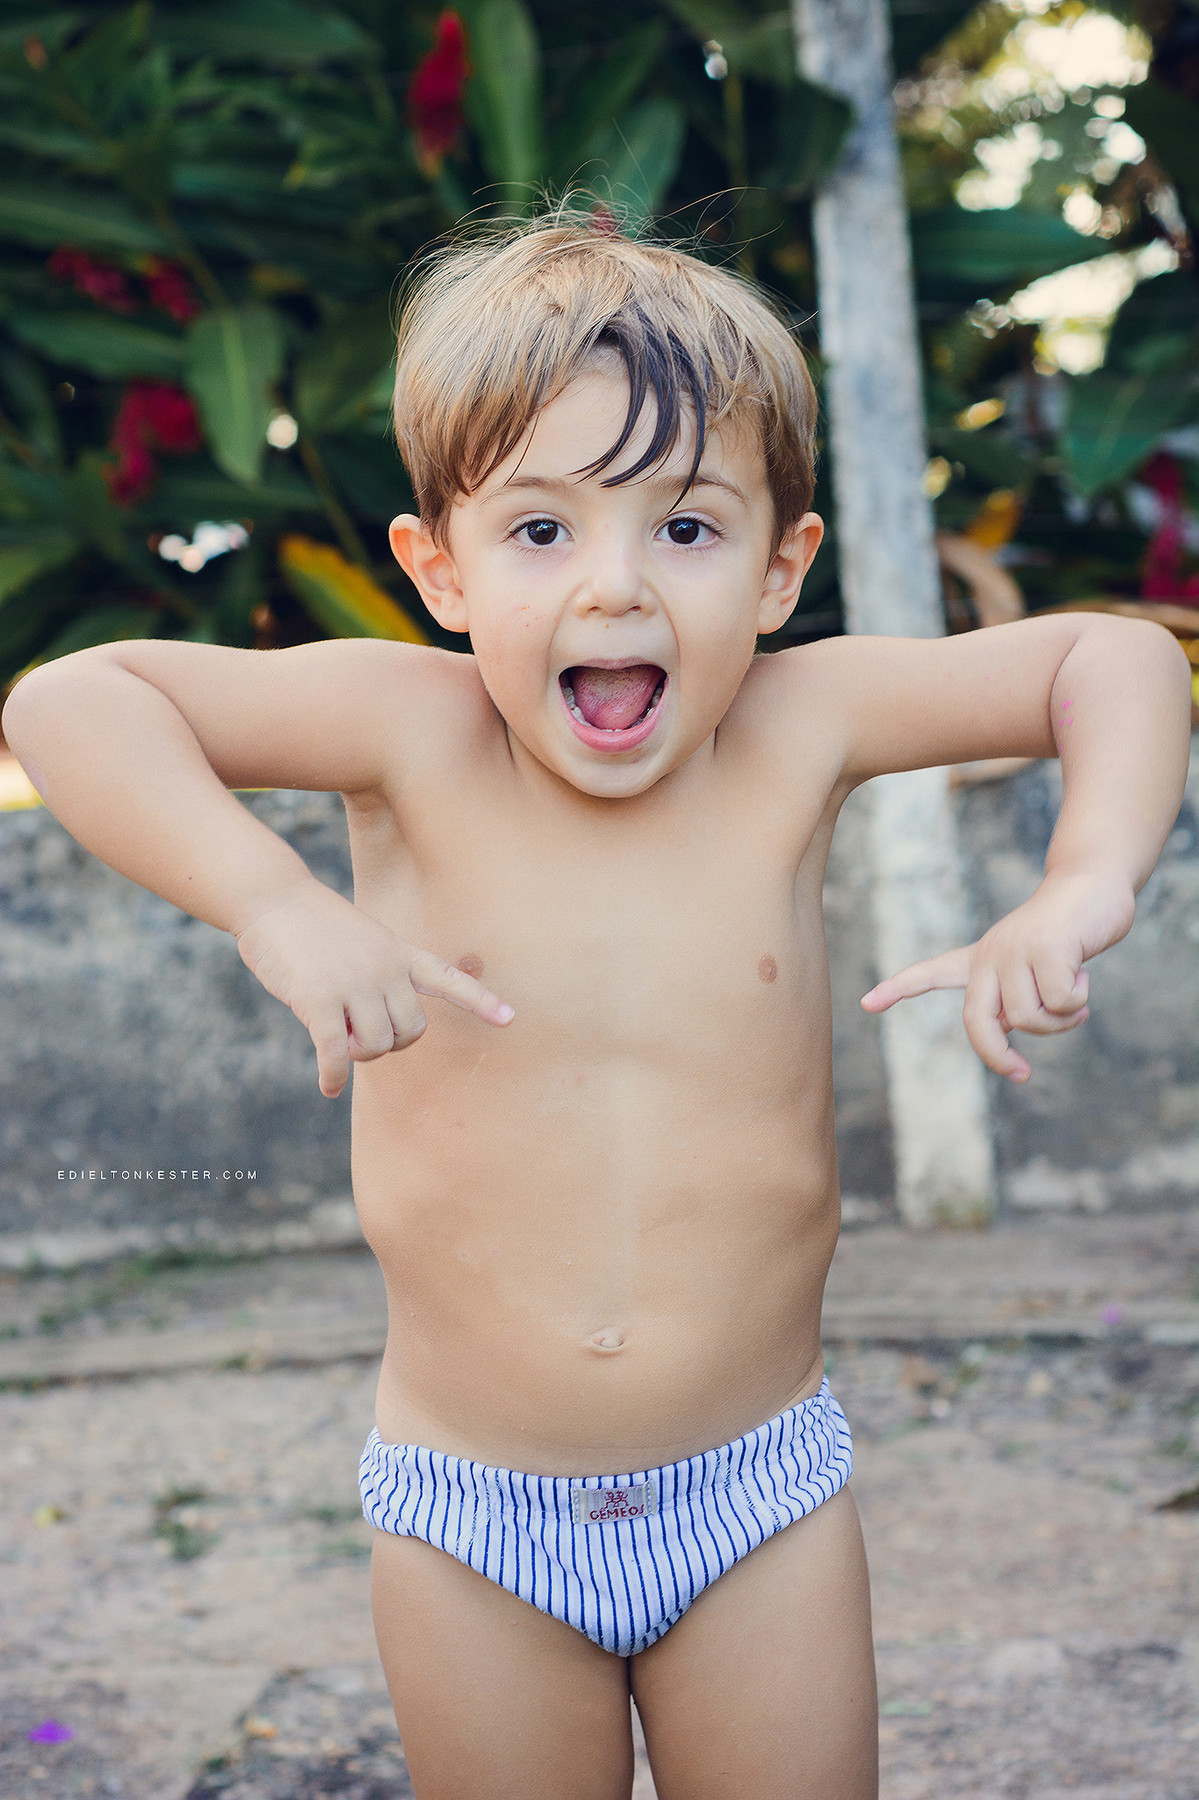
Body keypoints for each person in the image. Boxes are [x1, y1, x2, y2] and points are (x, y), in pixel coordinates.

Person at [2, 217, 1190, 1800]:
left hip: (756, 1501)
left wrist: (1079, 886)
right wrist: (274, 903)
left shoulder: (798, 723)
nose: (615, 589)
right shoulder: (412, 735)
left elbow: (1106, 662)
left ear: (781, 567)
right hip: (472, 1517)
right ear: (440, 567)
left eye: (687, 530)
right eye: (542, 532)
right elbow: (73, 702)